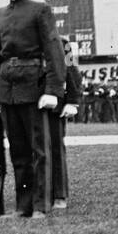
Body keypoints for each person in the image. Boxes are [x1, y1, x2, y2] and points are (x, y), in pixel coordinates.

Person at [0, 0, 65, 218]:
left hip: (33, 87)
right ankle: (23, 206)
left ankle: (41, 205)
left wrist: (53, 90)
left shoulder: (40, 10)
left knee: (39, 150)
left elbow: (53, 50)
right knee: (18, 151)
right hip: (7, 89)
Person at [49, 39, 81, 209]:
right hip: (29, 104)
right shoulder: (22, 40)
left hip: (55, 106)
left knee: (55, 149)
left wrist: (73, 101)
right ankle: (40, 193)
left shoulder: (62, 43)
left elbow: (72, 70)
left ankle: (59, 194)